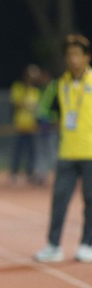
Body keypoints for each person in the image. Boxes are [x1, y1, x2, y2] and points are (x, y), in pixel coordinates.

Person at [35, 34, 92, 263]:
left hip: (90, 153)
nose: (72, 59)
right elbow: (43, 112)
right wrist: (49, 122)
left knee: (91, 200)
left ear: (87, 57)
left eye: (77, 54)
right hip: (66, 151)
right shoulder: (58, 84)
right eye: (69, 55)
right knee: (59, 199)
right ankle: (53, 245)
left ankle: (87, 244)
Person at [10, 64, 42, 185]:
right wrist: (25, 104)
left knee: (32, 152)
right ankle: (14, 173)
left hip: (32, 127)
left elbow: (37, 108)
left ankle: (30, 173)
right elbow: (16, 104)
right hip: (20, 126)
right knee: (18, 151)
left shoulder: (35, 91)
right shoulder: (18, 87)